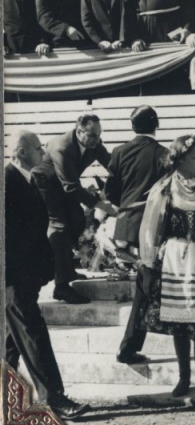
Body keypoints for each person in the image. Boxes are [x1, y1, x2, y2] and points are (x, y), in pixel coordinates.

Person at [138, 135, 195, 415]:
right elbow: (150, 230)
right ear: (179, 159)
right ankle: (183, 377)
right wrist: (149, 267)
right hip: (175, 259)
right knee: (179, 322)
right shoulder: (163, 189)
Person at [6, 130, 91, 420]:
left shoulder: (27, 178)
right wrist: (14, 280)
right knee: (34, 334)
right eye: (39, 149)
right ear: (23, 152)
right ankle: (53, 399)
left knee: (11, 341)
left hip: (24, 277)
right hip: (13, 279)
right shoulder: (7, 181)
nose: (44, 153)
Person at [104, 106, 168, 364]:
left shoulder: (119, 152)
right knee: (146, 285)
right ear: (157, 124)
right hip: (151, 228)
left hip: (126, 226)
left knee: (146, 283)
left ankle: (132, 344)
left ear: (132, 126)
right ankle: (128, 347)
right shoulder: (163, 154)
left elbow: (110, 194)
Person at [32, 114, 117, 305]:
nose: (97, 139)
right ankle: (61, 287)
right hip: (45, 184)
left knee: (78, 220)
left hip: (66, 184)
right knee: (60, 226)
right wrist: (103, 205)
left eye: (99, 135)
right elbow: (70, 187)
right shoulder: (62, 147)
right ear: (79, 131)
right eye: (93, 135)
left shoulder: (94, 142)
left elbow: (111, 164)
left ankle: (66, 267)